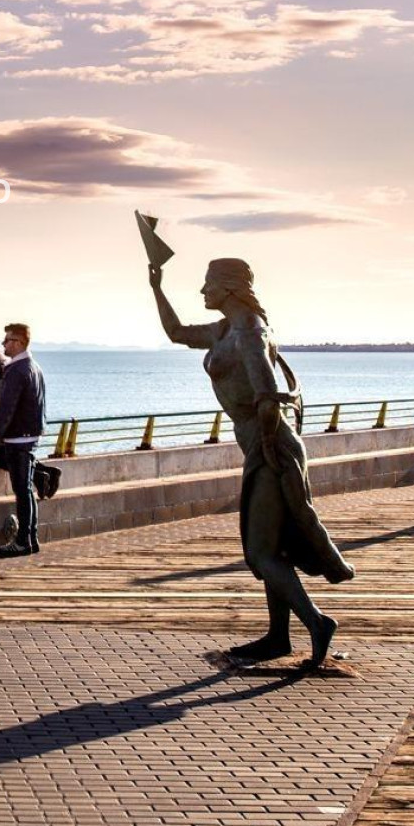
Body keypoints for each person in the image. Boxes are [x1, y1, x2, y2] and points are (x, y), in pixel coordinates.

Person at [151, 257, 353, 666]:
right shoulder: (224, 329)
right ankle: (278, 637)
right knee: (272, 547)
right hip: (261, 445)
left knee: (260, 552)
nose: (202, 292)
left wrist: (268, 454)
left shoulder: (248, 332)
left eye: (207, 284)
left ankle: (317, 623)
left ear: (227, 288)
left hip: (269, 448)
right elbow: (176, 333)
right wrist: (156, 286)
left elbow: (268, 396)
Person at [0, 322, 46, 557]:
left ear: (20, 342)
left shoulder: (16, 370)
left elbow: (6, 409)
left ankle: (22, 542)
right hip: (31, 435)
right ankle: (31, 539)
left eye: (8, 340)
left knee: (22, 492)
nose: (3, 344)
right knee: (26, 491)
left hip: (18, 439)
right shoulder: (34, 367)